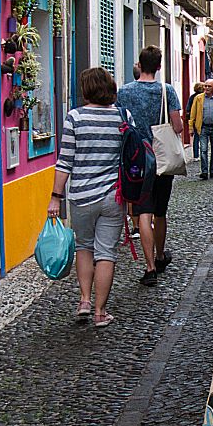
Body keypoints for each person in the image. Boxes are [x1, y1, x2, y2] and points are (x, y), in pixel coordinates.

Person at [47, 67, 131, 327]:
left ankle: (84, 300)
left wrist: (55, 197)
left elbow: (65, 162)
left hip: (81, 195)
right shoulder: (122, 116)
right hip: (112, 195)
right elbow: (130, 157)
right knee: (106, 253)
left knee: (84, 247)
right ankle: (99, 312)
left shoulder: (75, 117)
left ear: (86, 90)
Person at [117, 46, 183, 286]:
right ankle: (160, 254)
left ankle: (149, 267)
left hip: (136, 157)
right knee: (160, 211)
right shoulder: (167, 91)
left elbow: (120, 124)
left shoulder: (123, 92)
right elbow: (177, 127)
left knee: (143, 211)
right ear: (158, 66)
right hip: (162, 156)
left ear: (139, 64)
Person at [189, 78, 213, 179]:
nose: (206, 88)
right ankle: (204, 171)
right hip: (203, 127)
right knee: (203, 150)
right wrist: (191, 127)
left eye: (209, 86)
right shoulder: (199, 98)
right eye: (205, 86)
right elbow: (193, 113)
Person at [184, 81, 204, 161]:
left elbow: (188, 108)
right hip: (200, 119)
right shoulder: (202, 97)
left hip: (195, 120)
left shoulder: (192, 97)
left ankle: (196, 155)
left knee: (196, 137)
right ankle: (202, 153)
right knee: (202, 137)